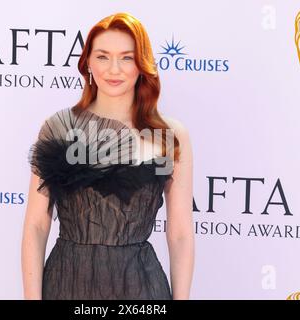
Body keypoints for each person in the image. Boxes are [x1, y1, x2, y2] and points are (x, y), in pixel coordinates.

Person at [21, 12, 194, 300]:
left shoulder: (168, 135)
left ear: (142, 65)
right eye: (102, 56)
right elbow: (37, 225)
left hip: (140, 289)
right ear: (87, 62)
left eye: (127, 57)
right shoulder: (58, 128)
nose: (114, 69)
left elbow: (180, 233)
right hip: (66, 284)